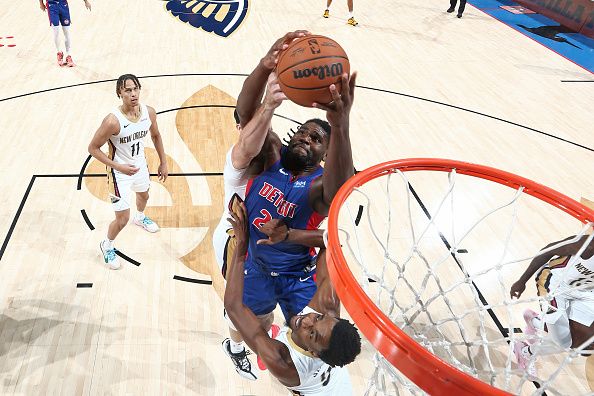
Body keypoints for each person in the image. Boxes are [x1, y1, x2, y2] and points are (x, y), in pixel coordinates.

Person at [220, 30, 357, 380]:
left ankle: (305, 375)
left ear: (325, 155)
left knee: (323, 328)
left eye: (315, 140)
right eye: (302, 133)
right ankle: (240, 346)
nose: (305, 140)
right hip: (256, 266)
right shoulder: (271, 156)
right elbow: (244, 112)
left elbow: (339, 187)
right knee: (254, 322)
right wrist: (265, 66)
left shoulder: (317, 187)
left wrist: (339, 127)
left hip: (298, 275)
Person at [224, 201, 361, 394]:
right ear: (332, 317)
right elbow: (330, 240)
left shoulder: (284, 363)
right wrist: (288, 235)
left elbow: (233, 306)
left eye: (311, 333)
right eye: (318, 318)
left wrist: (241, 247)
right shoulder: (327, 306)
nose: (307, 321)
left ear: (315, 354)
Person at [88, 74, 168, 270]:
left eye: (135, 89)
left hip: (140, 165)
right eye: (128, 90)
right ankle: (106, 245)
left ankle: (140, 217)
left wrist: (163, 162)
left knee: (144, 195)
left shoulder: (149, 113)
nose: (133, 94)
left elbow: (156, 135)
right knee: (122, 219)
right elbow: (93, 148)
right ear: (119, 93)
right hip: (119, 173)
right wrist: (118, 167)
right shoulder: (112, 121)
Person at [510, 234, 594, 376]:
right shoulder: (588, 245)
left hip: (585, 291)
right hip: (555, 284)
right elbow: (549, 250)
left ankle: (535, 321)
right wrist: (521, 281)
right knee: (563, 343)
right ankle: (524, 351)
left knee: (585, 346)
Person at [39, 0, 91, 67]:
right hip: (52, 6)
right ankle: (59, 53)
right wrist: (41, 3)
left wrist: (86, 1)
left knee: (67, 33)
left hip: (63, 5)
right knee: (56, 32)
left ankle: (68, 56)